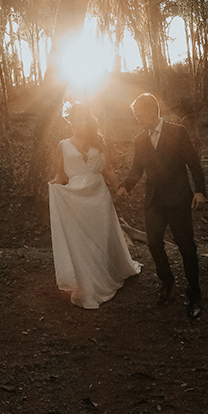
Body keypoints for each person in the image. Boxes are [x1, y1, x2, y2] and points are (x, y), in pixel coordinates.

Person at [116, 93, 206, 319]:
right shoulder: (139, 140)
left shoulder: (177, 132)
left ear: (153, 111)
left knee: (186, 248)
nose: (137, 119)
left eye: (140, 115)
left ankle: (194, 294)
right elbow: (137, 169)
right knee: (154, 243)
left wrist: (199, 191)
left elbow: (194, 164)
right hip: (154, 201)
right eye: (135, 115)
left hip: (178, 200)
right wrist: (125, 187)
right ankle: (168, 284)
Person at [49, 102, 141, 309]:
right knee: (82, 241)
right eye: (75, 118)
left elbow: (108, 170)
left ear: (89, 120)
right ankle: (88, 284)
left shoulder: (99, 143)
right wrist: (55, 182)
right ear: (70, 120)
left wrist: (119, 188)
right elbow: (60, 173)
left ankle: (108, 272)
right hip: (75, 200)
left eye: (83, 118)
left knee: (101, 236)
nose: (79, 122)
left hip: (99, 197)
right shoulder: (62, 145)